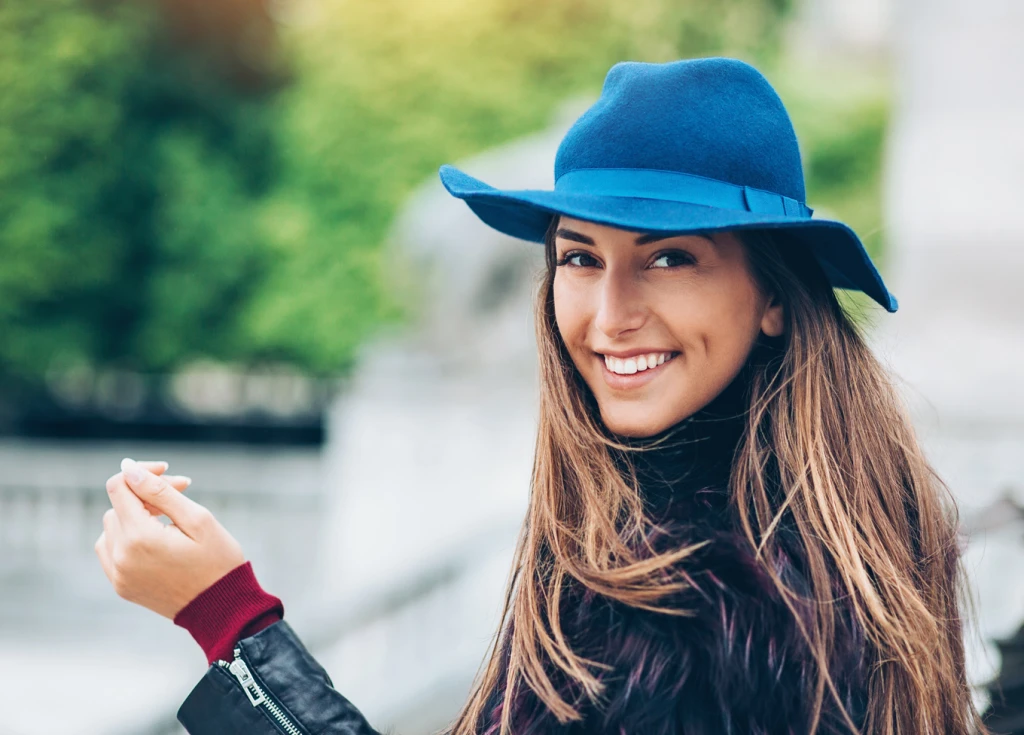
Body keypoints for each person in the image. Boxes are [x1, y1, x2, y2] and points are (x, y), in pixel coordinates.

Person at [95, 57, 987, 734]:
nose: (609, 315)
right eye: (579, 257)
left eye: (670, 256)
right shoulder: (870, 528)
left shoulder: (689, 594)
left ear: (777, 300)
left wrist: (223, 614)